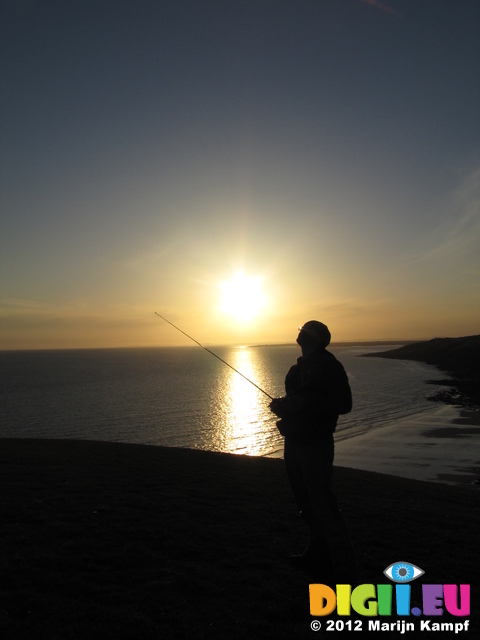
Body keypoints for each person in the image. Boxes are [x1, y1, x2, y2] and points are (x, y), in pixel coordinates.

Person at [270, 320, 357, 585]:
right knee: (305, 503)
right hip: (294, 441)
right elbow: (299, 402)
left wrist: (304, 403)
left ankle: (344, 564)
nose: (301, 332)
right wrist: (283, 407)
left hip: (315, 444)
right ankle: (318, 551)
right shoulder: (297, 368)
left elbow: (344, 404)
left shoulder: (330, 366)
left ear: (318, 338)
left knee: (322, 502)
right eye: (301, 328)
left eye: (307, 329)